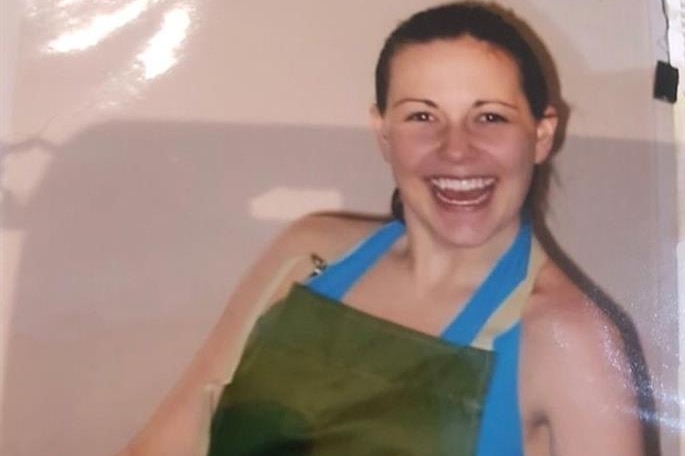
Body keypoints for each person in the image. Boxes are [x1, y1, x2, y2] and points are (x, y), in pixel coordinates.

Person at [119, 2, 645, 455]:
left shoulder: (572, 339)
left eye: (490, 117)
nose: (456, 149)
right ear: (383, 132)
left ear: (541, 133)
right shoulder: (307, 254)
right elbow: (172, 436)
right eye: (422, 117)